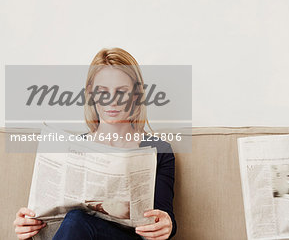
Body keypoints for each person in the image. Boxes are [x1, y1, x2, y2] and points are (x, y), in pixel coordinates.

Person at [13, 48, 177, 240]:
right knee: (74, 220)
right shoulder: (70, 150)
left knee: (76, 220)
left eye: (121, 92)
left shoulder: (159, 151)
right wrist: (28, 225)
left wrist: (167, 225)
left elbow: (165, 217)